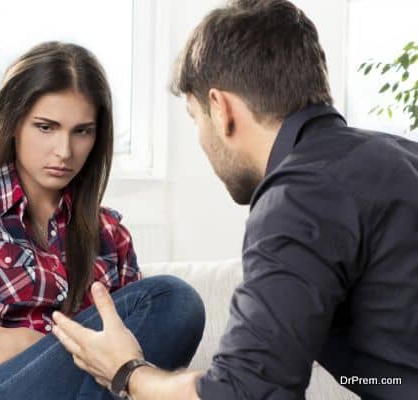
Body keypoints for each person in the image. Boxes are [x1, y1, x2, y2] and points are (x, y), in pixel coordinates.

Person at [51, 1, 418, 399]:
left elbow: (244, 392)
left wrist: (127, 373)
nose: (202, 141)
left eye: (195, 119)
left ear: (220, 108)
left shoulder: (300, 194)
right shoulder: (398, 157)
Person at [0, 41, 205, 400]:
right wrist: (82, 351)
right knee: (171, 302)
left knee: (176, 303)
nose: (64, 151)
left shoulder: (111, 234)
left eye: (82, 131)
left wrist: (28, 340)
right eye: (45, 127)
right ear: (13, 123)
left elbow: (130, 358)